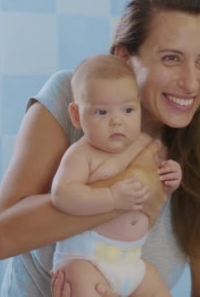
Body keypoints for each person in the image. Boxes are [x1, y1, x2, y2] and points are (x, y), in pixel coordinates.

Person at [0, 0, 200, 297]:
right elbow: (0, 237)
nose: (190, 82)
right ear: (124, 58)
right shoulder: (74, 99)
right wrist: (134, 187)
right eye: (171, 58)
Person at [50, 54, 181, 296]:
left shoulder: (145, 145)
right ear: (77, 116)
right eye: (102, 112)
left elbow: (155, 191)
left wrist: (171, 178)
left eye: (128, 110)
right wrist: (111, 197)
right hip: (86, 259)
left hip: (133, 261)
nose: (117, 121)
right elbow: (62, 194)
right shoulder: (82, 155)